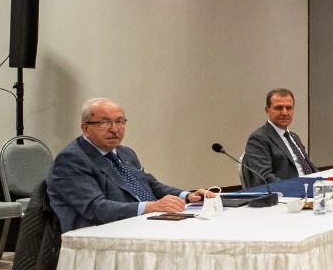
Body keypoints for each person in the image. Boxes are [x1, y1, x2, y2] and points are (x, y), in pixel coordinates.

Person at [46, 98, 212, 231]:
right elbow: (96, 208)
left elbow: (150, 184)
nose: (115, 129)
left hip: (145, 224)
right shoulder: (72, 159)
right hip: (102, 235)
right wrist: (150, 207)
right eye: (104, 122)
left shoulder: (125, 153)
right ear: (86, 129)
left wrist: (187, 196)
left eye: (120, 121)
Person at [242, 88, 316, 186]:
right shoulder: (258, 138)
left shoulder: (294, 137)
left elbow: (309, 167)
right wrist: (296, 187)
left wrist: (324, 181)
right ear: (267, 110)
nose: (285, 113)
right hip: (288, 191)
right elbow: (265, 177)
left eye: (289, 108)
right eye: (279, 108)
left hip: (309, 187)